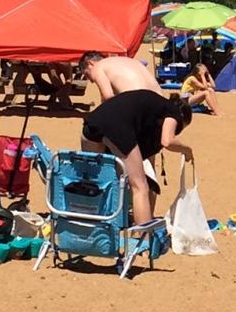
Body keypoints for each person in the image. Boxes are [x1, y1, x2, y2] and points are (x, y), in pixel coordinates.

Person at [81, 90, 193, 226]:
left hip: (92, 124)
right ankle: (144, 236)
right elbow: (167, 141)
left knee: (97, 182)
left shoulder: (155, 108)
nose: (177, 130)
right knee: (140, 187)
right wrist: (187, 150)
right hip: (116, 126)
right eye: (179, 128)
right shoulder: (173, 111)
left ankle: (91, 225)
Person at [80, 52, 161, 100]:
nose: (91, 81)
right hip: (161, 100)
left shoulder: (97, 67)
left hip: (138, 100)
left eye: (87, 75)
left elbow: (108, 97)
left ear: (90, 63)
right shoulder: (127, 60)